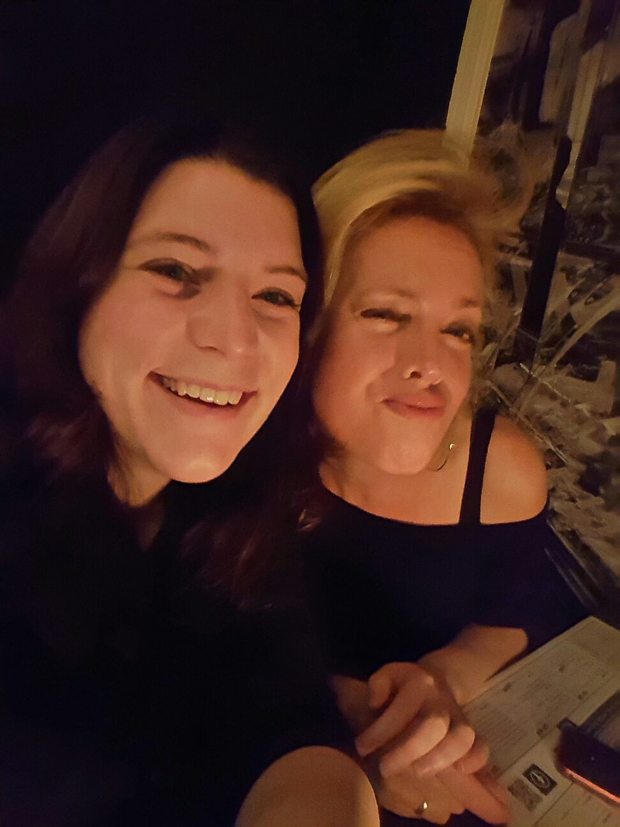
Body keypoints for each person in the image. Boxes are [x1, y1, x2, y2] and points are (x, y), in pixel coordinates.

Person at [0, 114, 380, 827]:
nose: (235, 340)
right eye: (175, 271)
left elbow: (291, 721)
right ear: (78, 286)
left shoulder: (243, 509)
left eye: (276, 296)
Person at [300, 130, 587, 825]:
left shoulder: (500, 469)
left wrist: (440, 675)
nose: (431, 365)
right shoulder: (243, 449)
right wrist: (343, 714)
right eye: (386, 314)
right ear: (307, 322)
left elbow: (513, 616)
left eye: (458, 330)